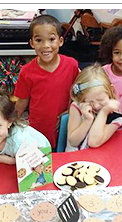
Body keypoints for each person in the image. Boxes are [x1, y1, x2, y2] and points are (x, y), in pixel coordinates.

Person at [14, 14, 79, 149]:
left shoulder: (72, 65)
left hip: (66, 125)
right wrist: (11, 124)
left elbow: (79, 93)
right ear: (32, 43)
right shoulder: (26, 71)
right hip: (38, 129)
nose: (46, 46)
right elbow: (21, 102)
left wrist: (69, 112)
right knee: (43, 162)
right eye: (39, 40)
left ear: (60, 41)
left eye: (51, 39)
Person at [0, 89, 51, 165]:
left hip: (40, 155)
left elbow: (35, 161)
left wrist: (12, 161)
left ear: (9, 122)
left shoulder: (19, 142)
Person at [65, 63, 122, 152]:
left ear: (110, 91)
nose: (96, 106)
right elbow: (73, 142)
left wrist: (104, 112)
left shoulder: (116, 116)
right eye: (90, 101)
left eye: (100, 99)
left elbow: (93, 142)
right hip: (74, 161)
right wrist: (87, 120)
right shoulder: (77, 107)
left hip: (98, 160)